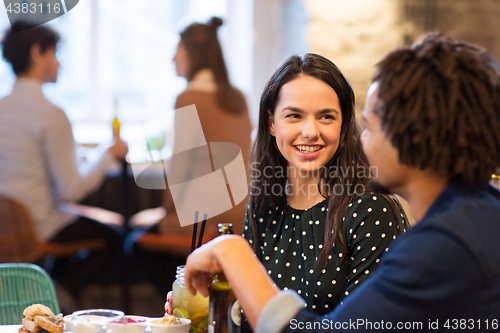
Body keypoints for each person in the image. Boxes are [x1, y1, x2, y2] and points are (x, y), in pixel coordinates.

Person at [182, 33, 500, 332]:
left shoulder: (442, 246)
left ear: (411, 139)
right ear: (271, 122)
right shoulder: (479, 211)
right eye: (294, 116)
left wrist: (232, 252)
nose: (361, 139)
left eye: (371, 126)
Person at [166, 53, 408, 318]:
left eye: (326, 117)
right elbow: (250, 317)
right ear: (271, 123)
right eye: (294, 116)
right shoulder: (263, 205)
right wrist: (211, 305)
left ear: (343, 124)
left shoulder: (371, 211)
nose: (310, 131)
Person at [125, 17, 253, 295]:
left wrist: (163, 215)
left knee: (133, 243)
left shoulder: (188, 97)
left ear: (192, 56)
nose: (173, 58)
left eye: (178, 51)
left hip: (205, 220)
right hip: (241, 218)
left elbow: (180, 171)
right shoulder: (239, 98)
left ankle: (186, 299)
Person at [0, 21, 128, 294]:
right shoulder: (50, 113)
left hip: (7, 226)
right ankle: (56, 291)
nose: (59, 63)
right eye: (54, 54)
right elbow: (71, 189)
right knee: (117, 239)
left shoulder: (3, 108)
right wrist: (107, 156)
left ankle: (46, 291)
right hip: (40, 226)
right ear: (37, 53)